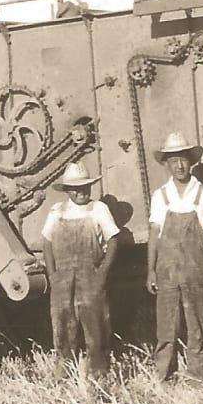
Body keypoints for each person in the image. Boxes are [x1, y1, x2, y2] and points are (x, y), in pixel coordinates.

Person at [147, 132, 203, 383]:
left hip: (194, 269)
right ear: (167, 165)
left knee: (197, 325)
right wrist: (151, 270)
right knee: (166, 327)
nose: (179, 166)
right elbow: (155, 233)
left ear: (191, 162)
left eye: (183, 160)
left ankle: (197, 379)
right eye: (174, 161)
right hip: (166, 270)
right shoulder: (161, 196)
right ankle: (164, 377)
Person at [40, 161, 120, 380]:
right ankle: (64, 371)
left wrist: (102, 273)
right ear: (67, 191)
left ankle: (99, 372)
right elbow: (47, 242)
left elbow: (113, 240)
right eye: (75, 188)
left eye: (85, 186)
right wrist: (53, 275)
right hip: (62, 277)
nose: (81, 191)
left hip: (89, 273)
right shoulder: (57, 211)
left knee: (95, 324)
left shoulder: (98, 209)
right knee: (63, 324)